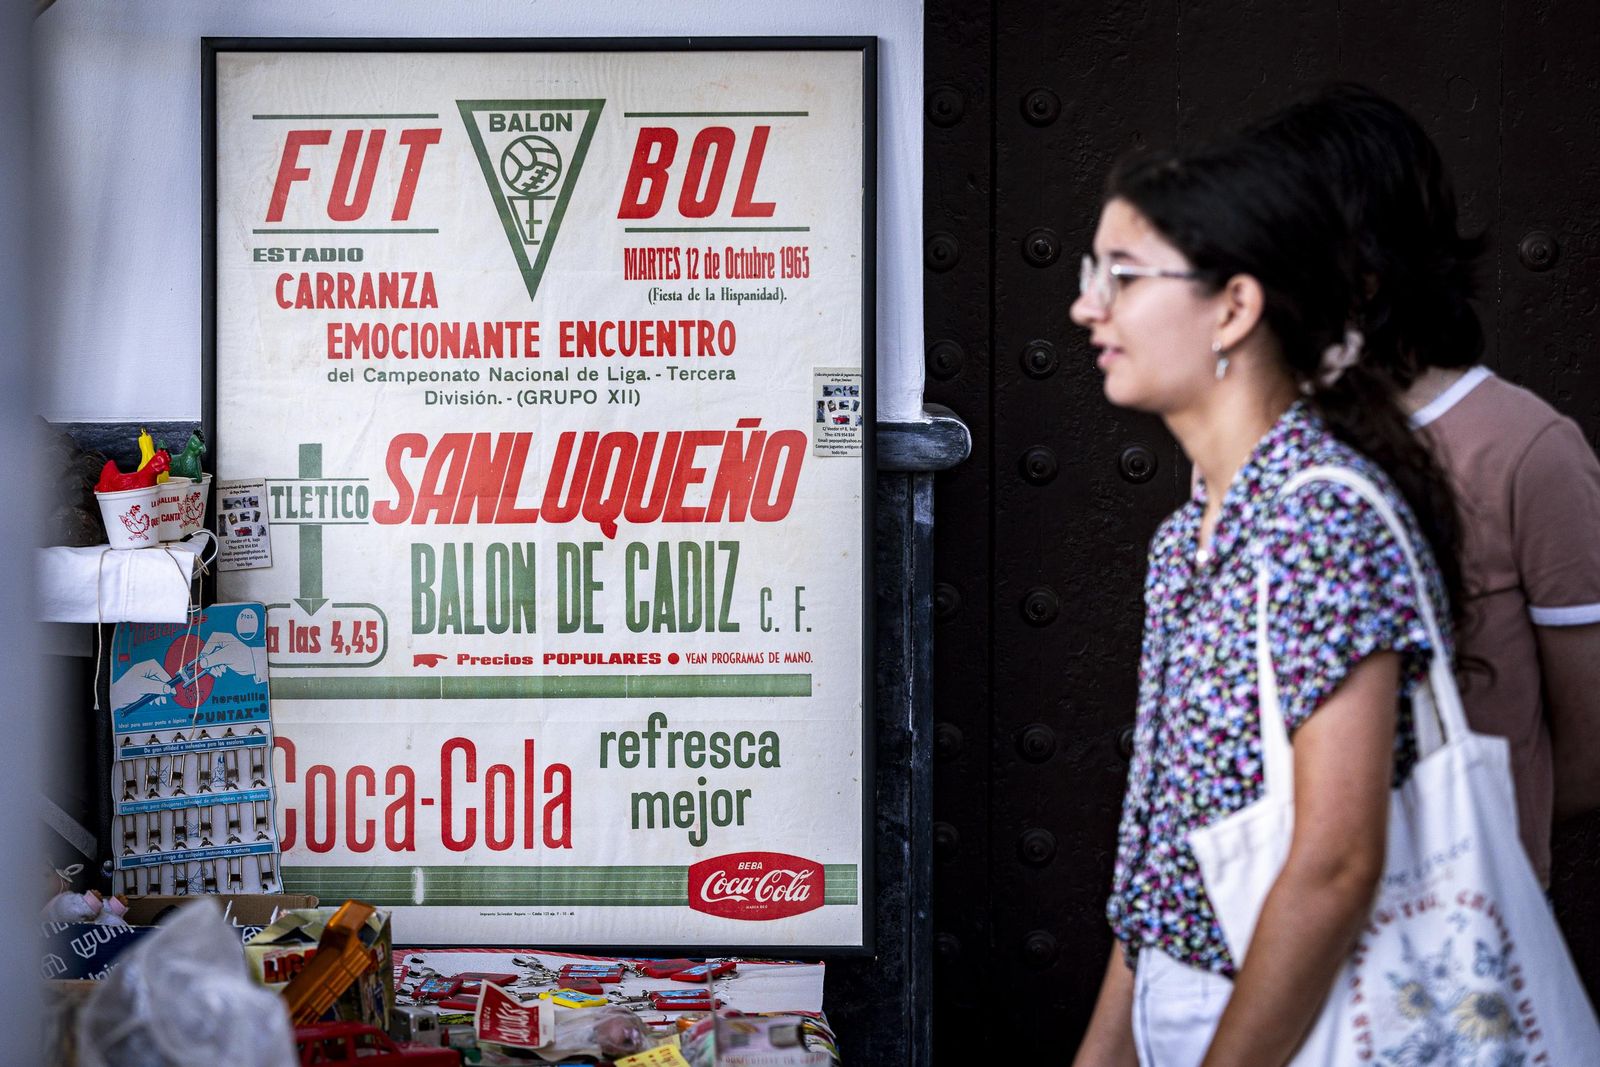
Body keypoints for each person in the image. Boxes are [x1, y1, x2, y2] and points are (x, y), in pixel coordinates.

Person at [1066, 136, 1462, 1067]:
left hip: (1297, 1018)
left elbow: (1335, 863)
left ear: (1235, 305)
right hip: (1181, 998)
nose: (1088, 305)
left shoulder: (1316, 518)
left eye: (1122, 275)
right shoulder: (1190, 533)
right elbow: (1165, 861)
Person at [1243, 85, 1600, 886]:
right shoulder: (1258, 435)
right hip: (1278, 916)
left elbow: (1588, 745)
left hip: (1457, 923)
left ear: (1363, 272)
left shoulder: (1528, 447)